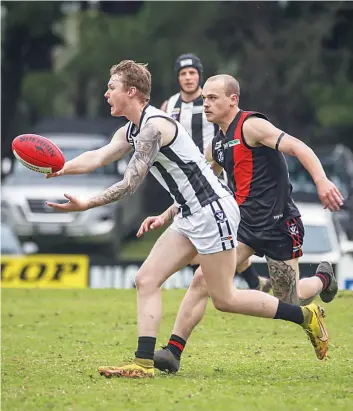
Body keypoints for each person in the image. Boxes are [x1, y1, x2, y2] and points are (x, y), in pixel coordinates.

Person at [46, 62, 338, 379]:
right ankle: (145, 362)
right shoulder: (131, 129)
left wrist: (87, 202)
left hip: (216, 213)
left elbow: (131, 182)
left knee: (226, 299)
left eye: (111, 88)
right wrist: (61, 166)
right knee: (146, 278)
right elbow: (100, 156)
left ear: (131, 92)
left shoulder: (155, 126)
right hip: (192, 214)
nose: (106, 94)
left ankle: (303, 315)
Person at [138, 74, 343, 373]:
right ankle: (173, 351)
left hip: (279, 224)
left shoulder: (252, 126)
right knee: (202, 280)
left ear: (233, 99)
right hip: (243, 225)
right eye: (204, 98)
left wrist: (322, 180)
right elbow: (198, 187)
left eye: (212, 98)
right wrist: (165, 215)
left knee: (290, 298)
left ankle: (324, 278)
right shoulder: (217, 144)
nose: (205, 104)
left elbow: (299, 147)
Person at [162, 53, 270, 292]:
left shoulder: (212, 100)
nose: (188, 77)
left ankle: (217, 283)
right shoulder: (169, 106)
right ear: (177, 77)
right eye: (183, 73)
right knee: (215, 236)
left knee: (217, 235)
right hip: (185, 179)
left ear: (199, 74)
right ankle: (250, 282)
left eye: (192, 72)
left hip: (215, 176)